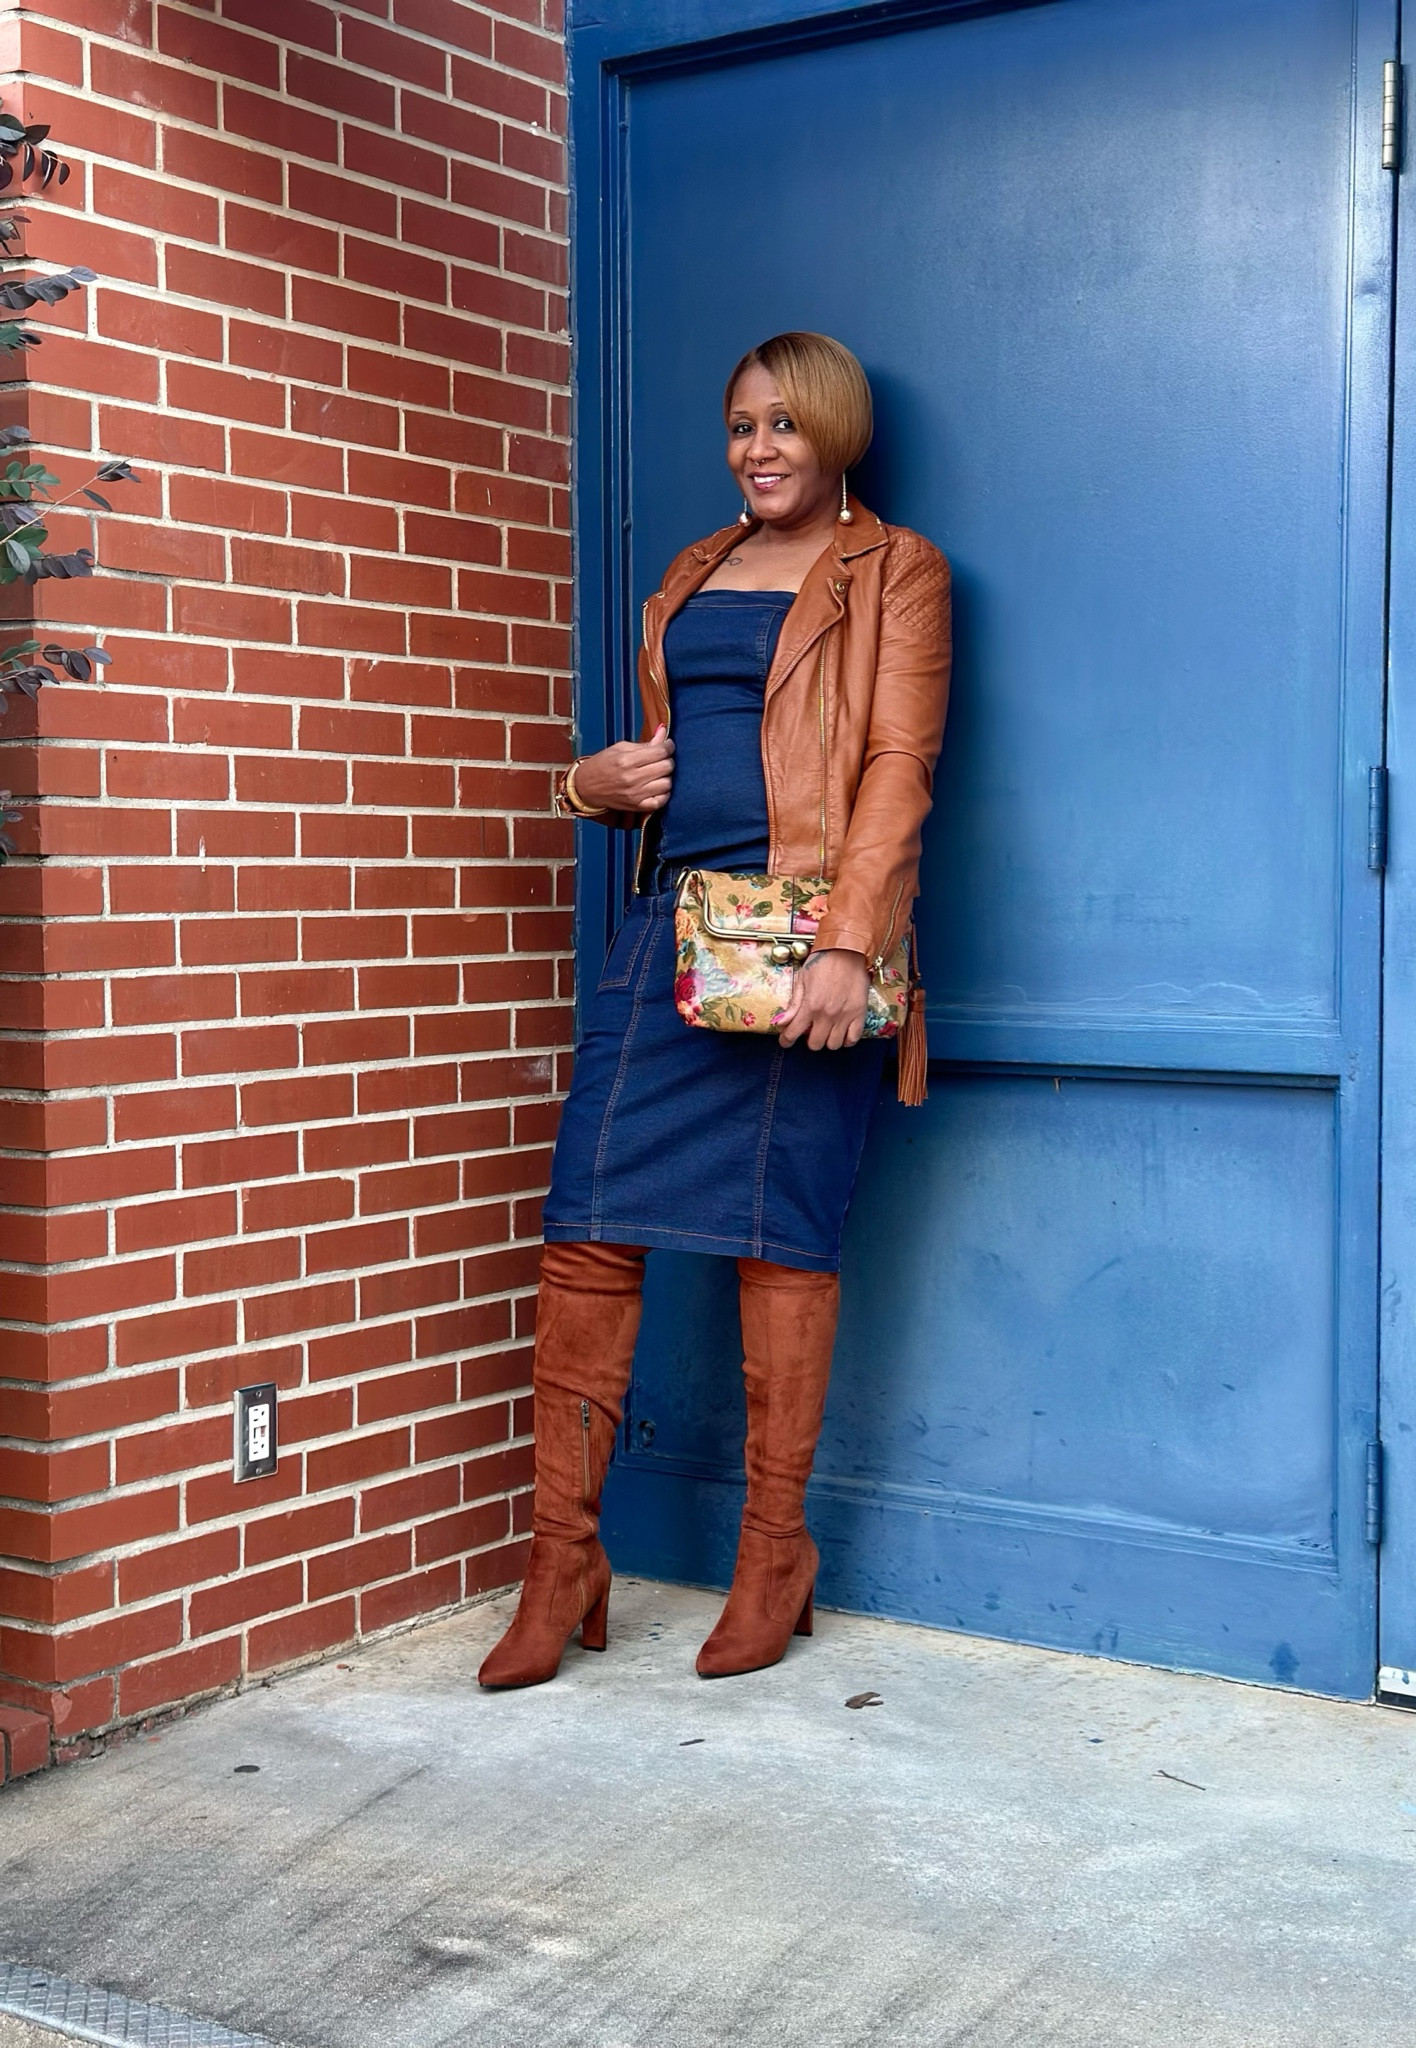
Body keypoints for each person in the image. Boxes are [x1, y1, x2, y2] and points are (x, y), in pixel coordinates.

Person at [478, 331, 951, 1690]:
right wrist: (588, 787)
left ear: (837, 434)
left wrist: (852, 947)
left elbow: (898, 768)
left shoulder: (896, 571)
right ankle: (562, 1559)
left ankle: (772, 1556)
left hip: (809, 945)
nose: (758, 450)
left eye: (786, 427)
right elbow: (655, 767)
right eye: (741, 425)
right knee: (585, 1235)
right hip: (673, 937)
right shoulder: (690, 571)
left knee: (779, 1246)